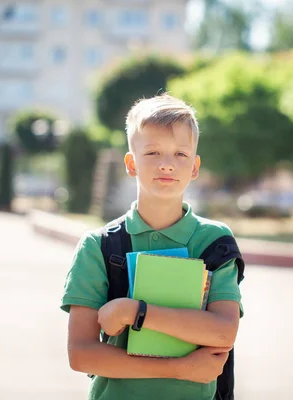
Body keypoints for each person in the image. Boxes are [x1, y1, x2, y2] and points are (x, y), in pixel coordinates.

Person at [60, 94, 243, 400]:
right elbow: (81, 354)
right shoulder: (99, 246)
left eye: (181, 154)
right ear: (131, 164)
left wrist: (135, 312)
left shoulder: (214, 241)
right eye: (153, 152)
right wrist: (180, 368)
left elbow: (224, 332)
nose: (167, 164)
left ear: (195, 167)